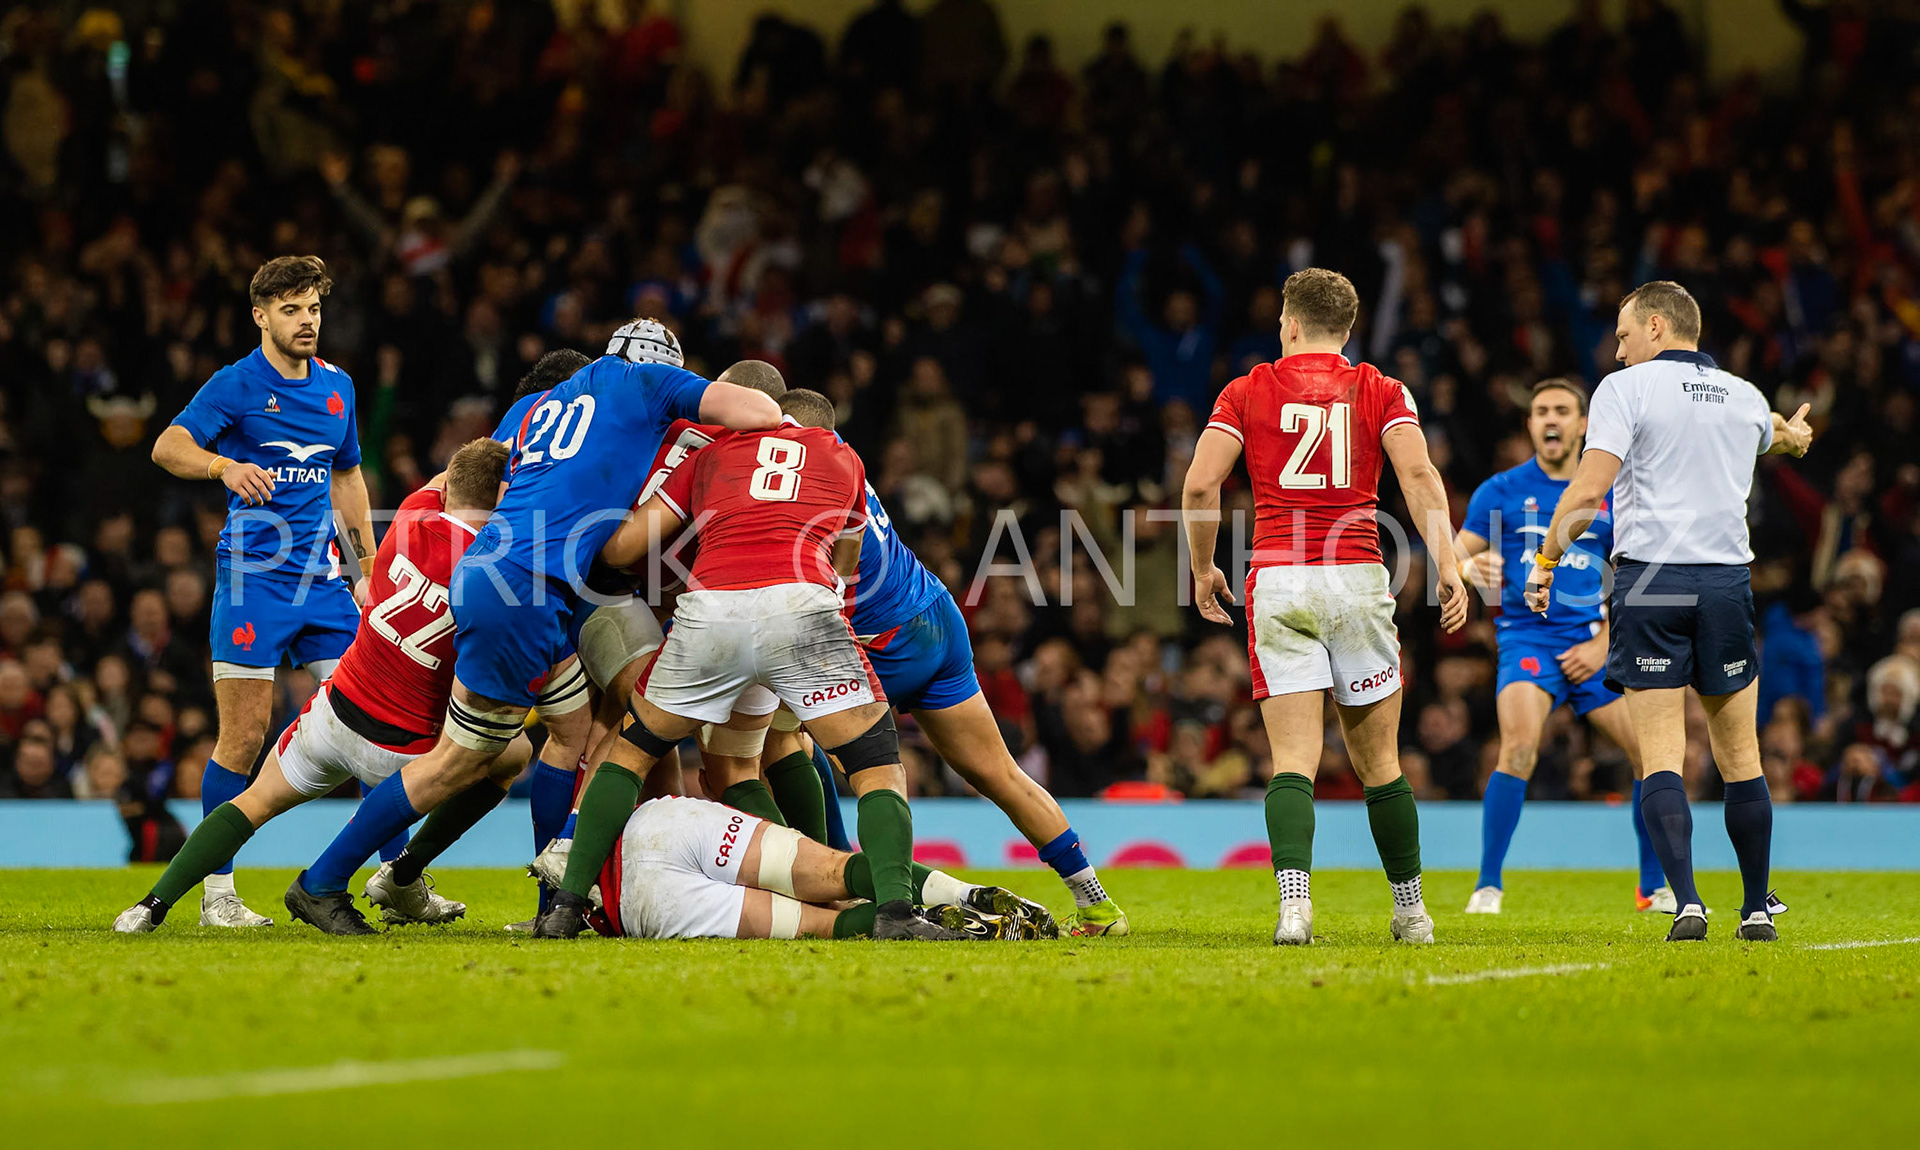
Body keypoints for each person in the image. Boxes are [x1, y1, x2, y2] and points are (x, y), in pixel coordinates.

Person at [593, 366, 1128, 935]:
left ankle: (840, 877)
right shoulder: (840, 460)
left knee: (758, 745)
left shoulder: (771, 470)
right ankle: (1094, 901)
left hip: (877, 638)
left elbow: (819, 582)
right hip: (934, 616)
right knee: (999, 773)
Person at [276, 321, 782, 911]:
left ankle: (545, 894)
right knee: (508, 750)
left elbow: (465, 481)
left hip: (516, 580)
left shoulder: (540, 406)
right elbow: (756, 415)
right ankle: (336, 881)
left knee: (577, 735)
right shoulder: (664, 404)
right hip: (557, 585)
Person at [538, 389, 959, 941]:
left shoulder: (707, 456)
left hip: (711, 608)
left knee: (630, 751)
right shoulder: (842, 455)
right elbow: (845, 565)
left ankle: (566, 906)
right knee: (875, 768)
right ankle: (895, 915)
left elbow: (622, 550)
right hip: (802, 607)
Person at [114, 439, 518, 934]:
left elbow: (450, 483)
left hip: (331, 711)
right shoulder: (496, 570)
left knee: (253, 802)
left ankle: (149, 907)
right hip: (396, 750)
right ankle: (399, 873)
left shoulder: (411, 513)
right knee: (512, 751)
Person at [1182, 267, 1468, 946]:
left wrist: (1201, 570)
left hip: (1279, 579)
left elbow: (1199, 486)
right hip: (1357, 578)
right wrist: (1449, 565)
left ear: (1288, 323)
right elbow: (1420, 475)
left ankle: (1293, 910)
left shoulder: (1246, 389)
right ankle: (1410, 913)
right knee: (1381, 766)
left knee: (1293, 761)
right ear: (1348, 329)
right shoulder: (1380, 388)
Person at [1527, 280, 1812, 942]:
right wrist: (1793, 435)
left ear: (1657, 326)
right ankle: (1755, 909)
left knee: (1661, 752)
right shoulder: (1744, 396)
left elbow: (1589, 487)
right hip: (1725, 585)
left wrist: (1544, 565)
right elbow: (1773, 432)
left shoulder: (1624, 391)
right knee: (1741, 752)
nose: (1619, 352)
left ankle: (1686, 902)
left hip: (1651, 580)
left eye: (1624, 336)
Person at [147, 255, 375, 927]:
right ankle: (220, 896)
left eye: (313, 309)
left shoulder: (340, 387)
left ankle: (398, 881)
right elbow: (167, 446)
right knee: (243, 737)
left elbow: (349, 478)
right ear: (261, 316)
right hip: (254, 582)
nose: (306, 322)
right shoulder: (237, 384)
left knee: (377, 725)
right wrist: (223, 464)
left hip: (326, 583)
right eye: (291, 310)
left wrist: (367, 568)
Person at [1454, 379, 1667, 914]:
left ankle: (1651, 886)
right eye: (1541, 410)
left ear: (1581, 425)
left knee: (1650, 753)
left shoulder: (1614, 493)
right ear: (1530, 424)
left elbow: (1643, 580)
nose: (1551, 419)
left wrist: (1604, 641)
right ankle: (1488, 884)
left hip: (1596, 643)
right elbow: (1452, 557)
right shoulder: (1499, 490)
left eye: (1563, 411)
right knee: (1519, 748)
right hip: (1526, 638)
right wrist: (1463, 567)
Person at [533, 794, 1054, 941]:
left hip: (629, 902)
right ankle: (964, 895)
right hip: (657, 822)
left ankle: (971, 928)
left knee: (816, 923)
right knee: (837, 870)